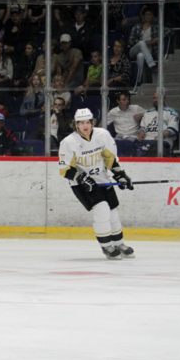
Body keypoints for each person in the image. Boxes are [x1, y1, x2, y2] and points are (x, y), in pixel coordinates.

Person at [58, 107, 134, 260]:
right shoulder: (69, 142)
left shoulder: (102, 135)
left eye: (87, 122)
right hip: (80, 183)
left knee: (113, 211)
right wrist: (82, 178)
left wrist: (120, 175)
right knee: (102, 209)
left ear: (92, 122)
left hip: (102, 179)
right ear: (75, 124)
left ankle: (119, 243)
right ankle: (106, 246)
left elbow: (110, 158)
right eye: (81, 123)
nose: (85, 126)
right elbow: (64, 169)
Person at [137, 91, 180, 157]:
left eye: (158, 98)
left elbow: (172, 128)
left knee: (154, 147)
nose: (156, 100)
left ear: (164, 99)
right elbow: (142, 127)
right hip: (147, 141)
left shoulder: (171, 112)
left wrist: (161, 135)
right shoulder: (148, 113)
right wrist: (141, 132)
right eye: (154, 98)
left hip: (163, 141)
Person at [128, 8, 161, 85]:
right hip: (135, 50)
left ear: (153, 16)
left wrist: (156, 39)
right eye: (147, 14)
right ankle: (152, 65)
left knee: (141, 56)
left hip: (148, 52)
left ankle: (139, 80)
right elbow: (130, 41)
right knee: (142, 43)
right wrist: (145, 42)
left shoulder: (156, 27)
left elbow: (170, 31)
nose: (148, 16)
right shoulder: (137, 27)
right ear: (143, 16)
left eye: (150, 14)